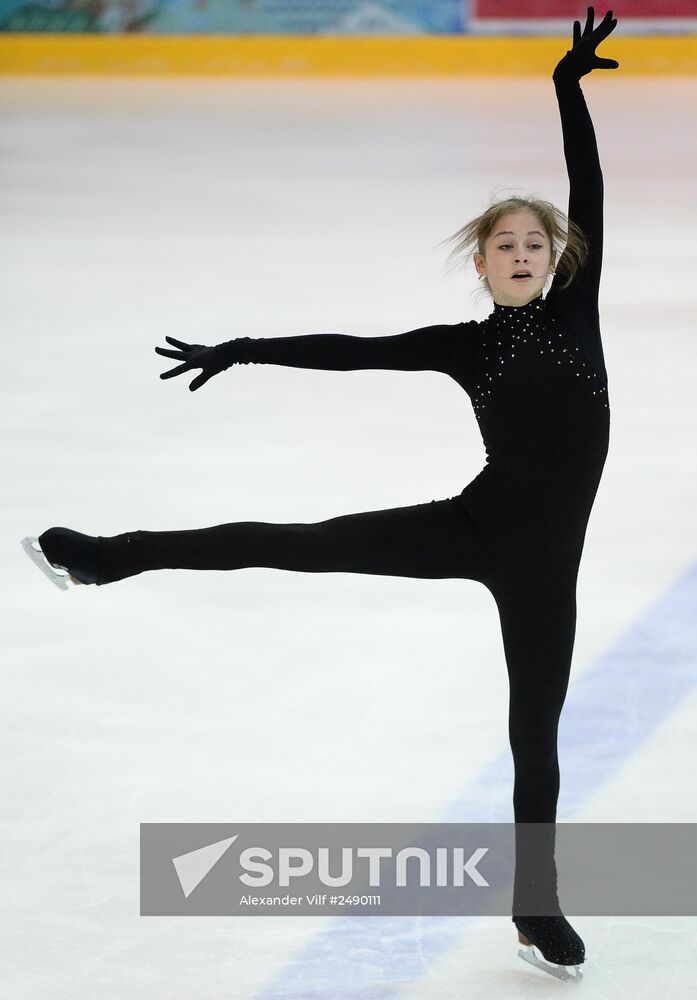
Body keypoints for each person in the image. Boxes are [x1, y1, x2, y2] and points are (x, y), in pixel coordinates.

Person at [22, 5, 619, 981]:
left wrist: (565, 88)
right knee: (291, 537)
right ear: (478, 263)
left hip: (544, 563)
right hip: (472, 527)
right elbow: (349, 354)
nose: (522, 252)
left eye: (535, 246)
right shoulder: (462, 347)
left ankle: (533, 902)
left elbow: (586, 189)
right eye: (504, 244)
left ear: (555, 262)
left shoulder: (575, 317)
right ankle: (105, 555)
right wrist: (248, 346)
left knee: (535, 733)